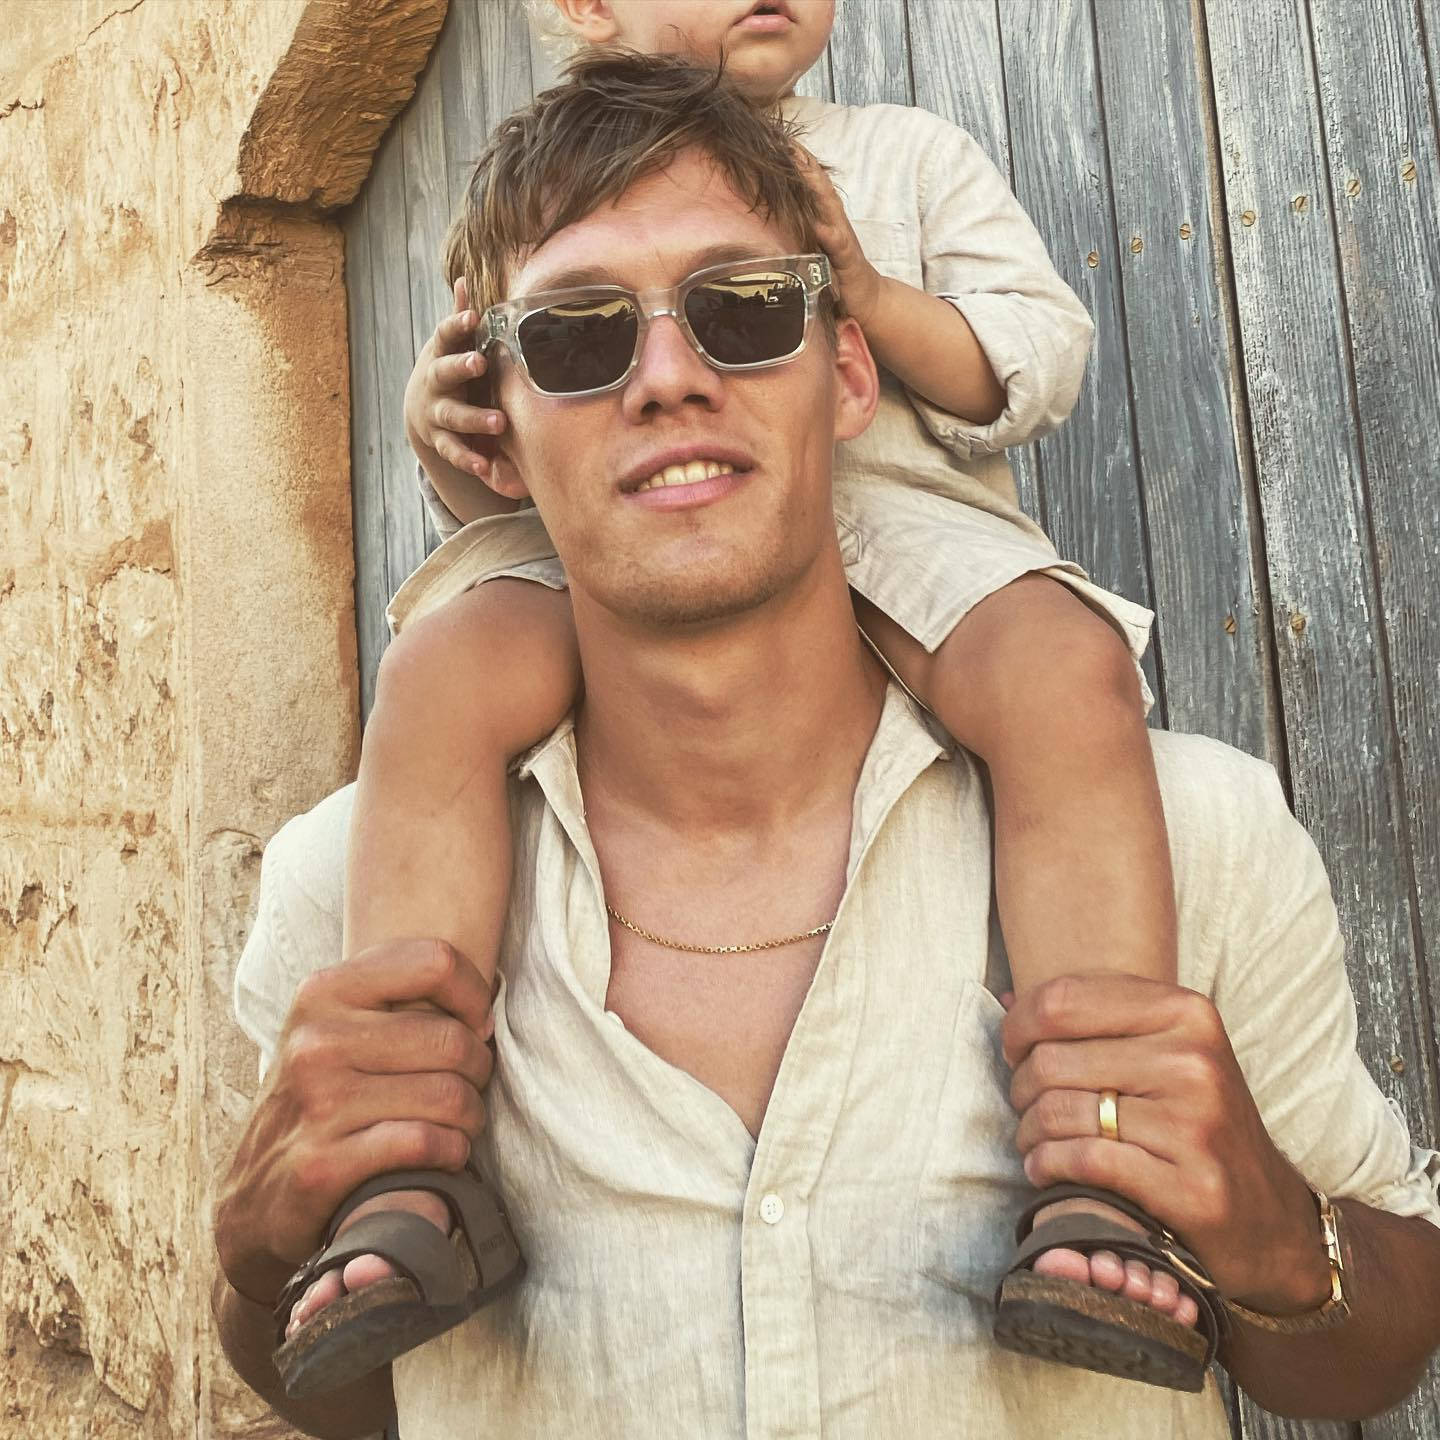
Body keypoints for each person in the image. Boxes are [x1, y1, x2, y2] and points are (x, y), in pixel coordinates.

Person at [214, 51, 1440, 1440]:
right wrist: (264, 1260)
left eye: (743, 311)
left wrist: (1275, 1239)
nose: (668, 379)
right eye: (576, 337)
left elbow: (1375, 1345)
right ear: (502, 430)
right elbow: (353, 1399)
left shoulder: (1192, 842)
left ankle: (1099, 1191)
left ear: (846, 365)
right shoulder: (343, 889)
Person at [294, 0, 1185, 1390]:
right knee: (441, 667)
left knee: (1062, 666)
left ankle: (1108, 1149)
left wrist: (859, 290)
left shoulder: (904, 155)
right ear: (583, 11)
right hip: (634, 552)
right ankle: (404, 1160)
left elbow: (1034, 361)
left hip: (900, 526)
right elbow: (518, 451)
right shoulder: (545, 185)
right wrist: (444, 422)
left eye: (743, 303)